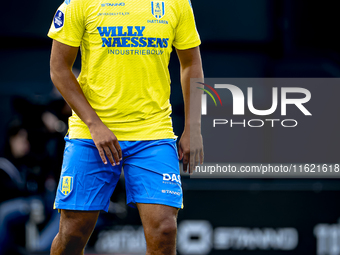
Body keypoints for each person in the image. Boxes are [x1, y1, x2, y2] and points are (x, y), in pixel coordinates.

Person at [48, 0, 204, 254]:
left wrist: (193, 128)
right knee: (73, 233)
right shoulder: (79, 3)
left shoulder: (177, 3)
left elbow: (191, 64)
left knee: (165, 230)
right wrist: (94, 124)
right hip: (91, 136)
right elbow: (58, 68)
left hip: (153, 133)